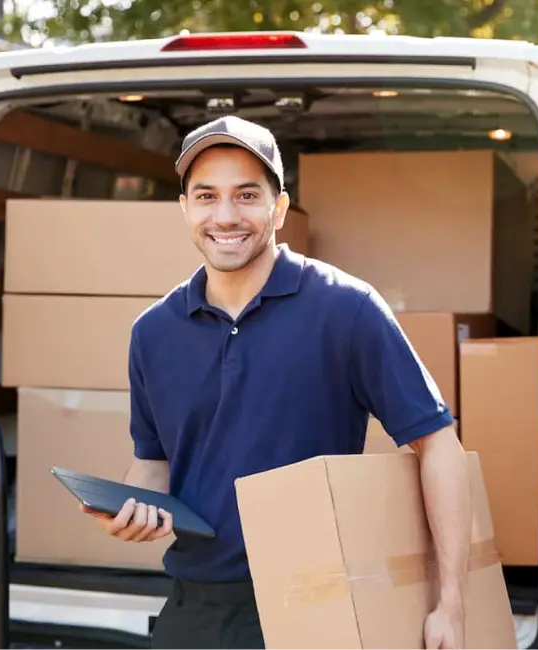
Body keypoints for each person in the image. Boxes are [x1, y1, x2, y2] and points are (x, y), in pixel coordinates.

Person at [81, 115, 472, 650]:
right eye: (206, 196)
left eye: (246, 195)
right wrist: (131, 511)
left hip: (316, 603)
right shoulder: (153, 332)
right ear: (185, 208)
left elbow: (438, 443)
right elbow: (154, 462)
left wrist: (451, 604)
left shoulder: (346, 309)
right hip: (196, 607)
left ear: (279, 208)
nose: (225, 216)